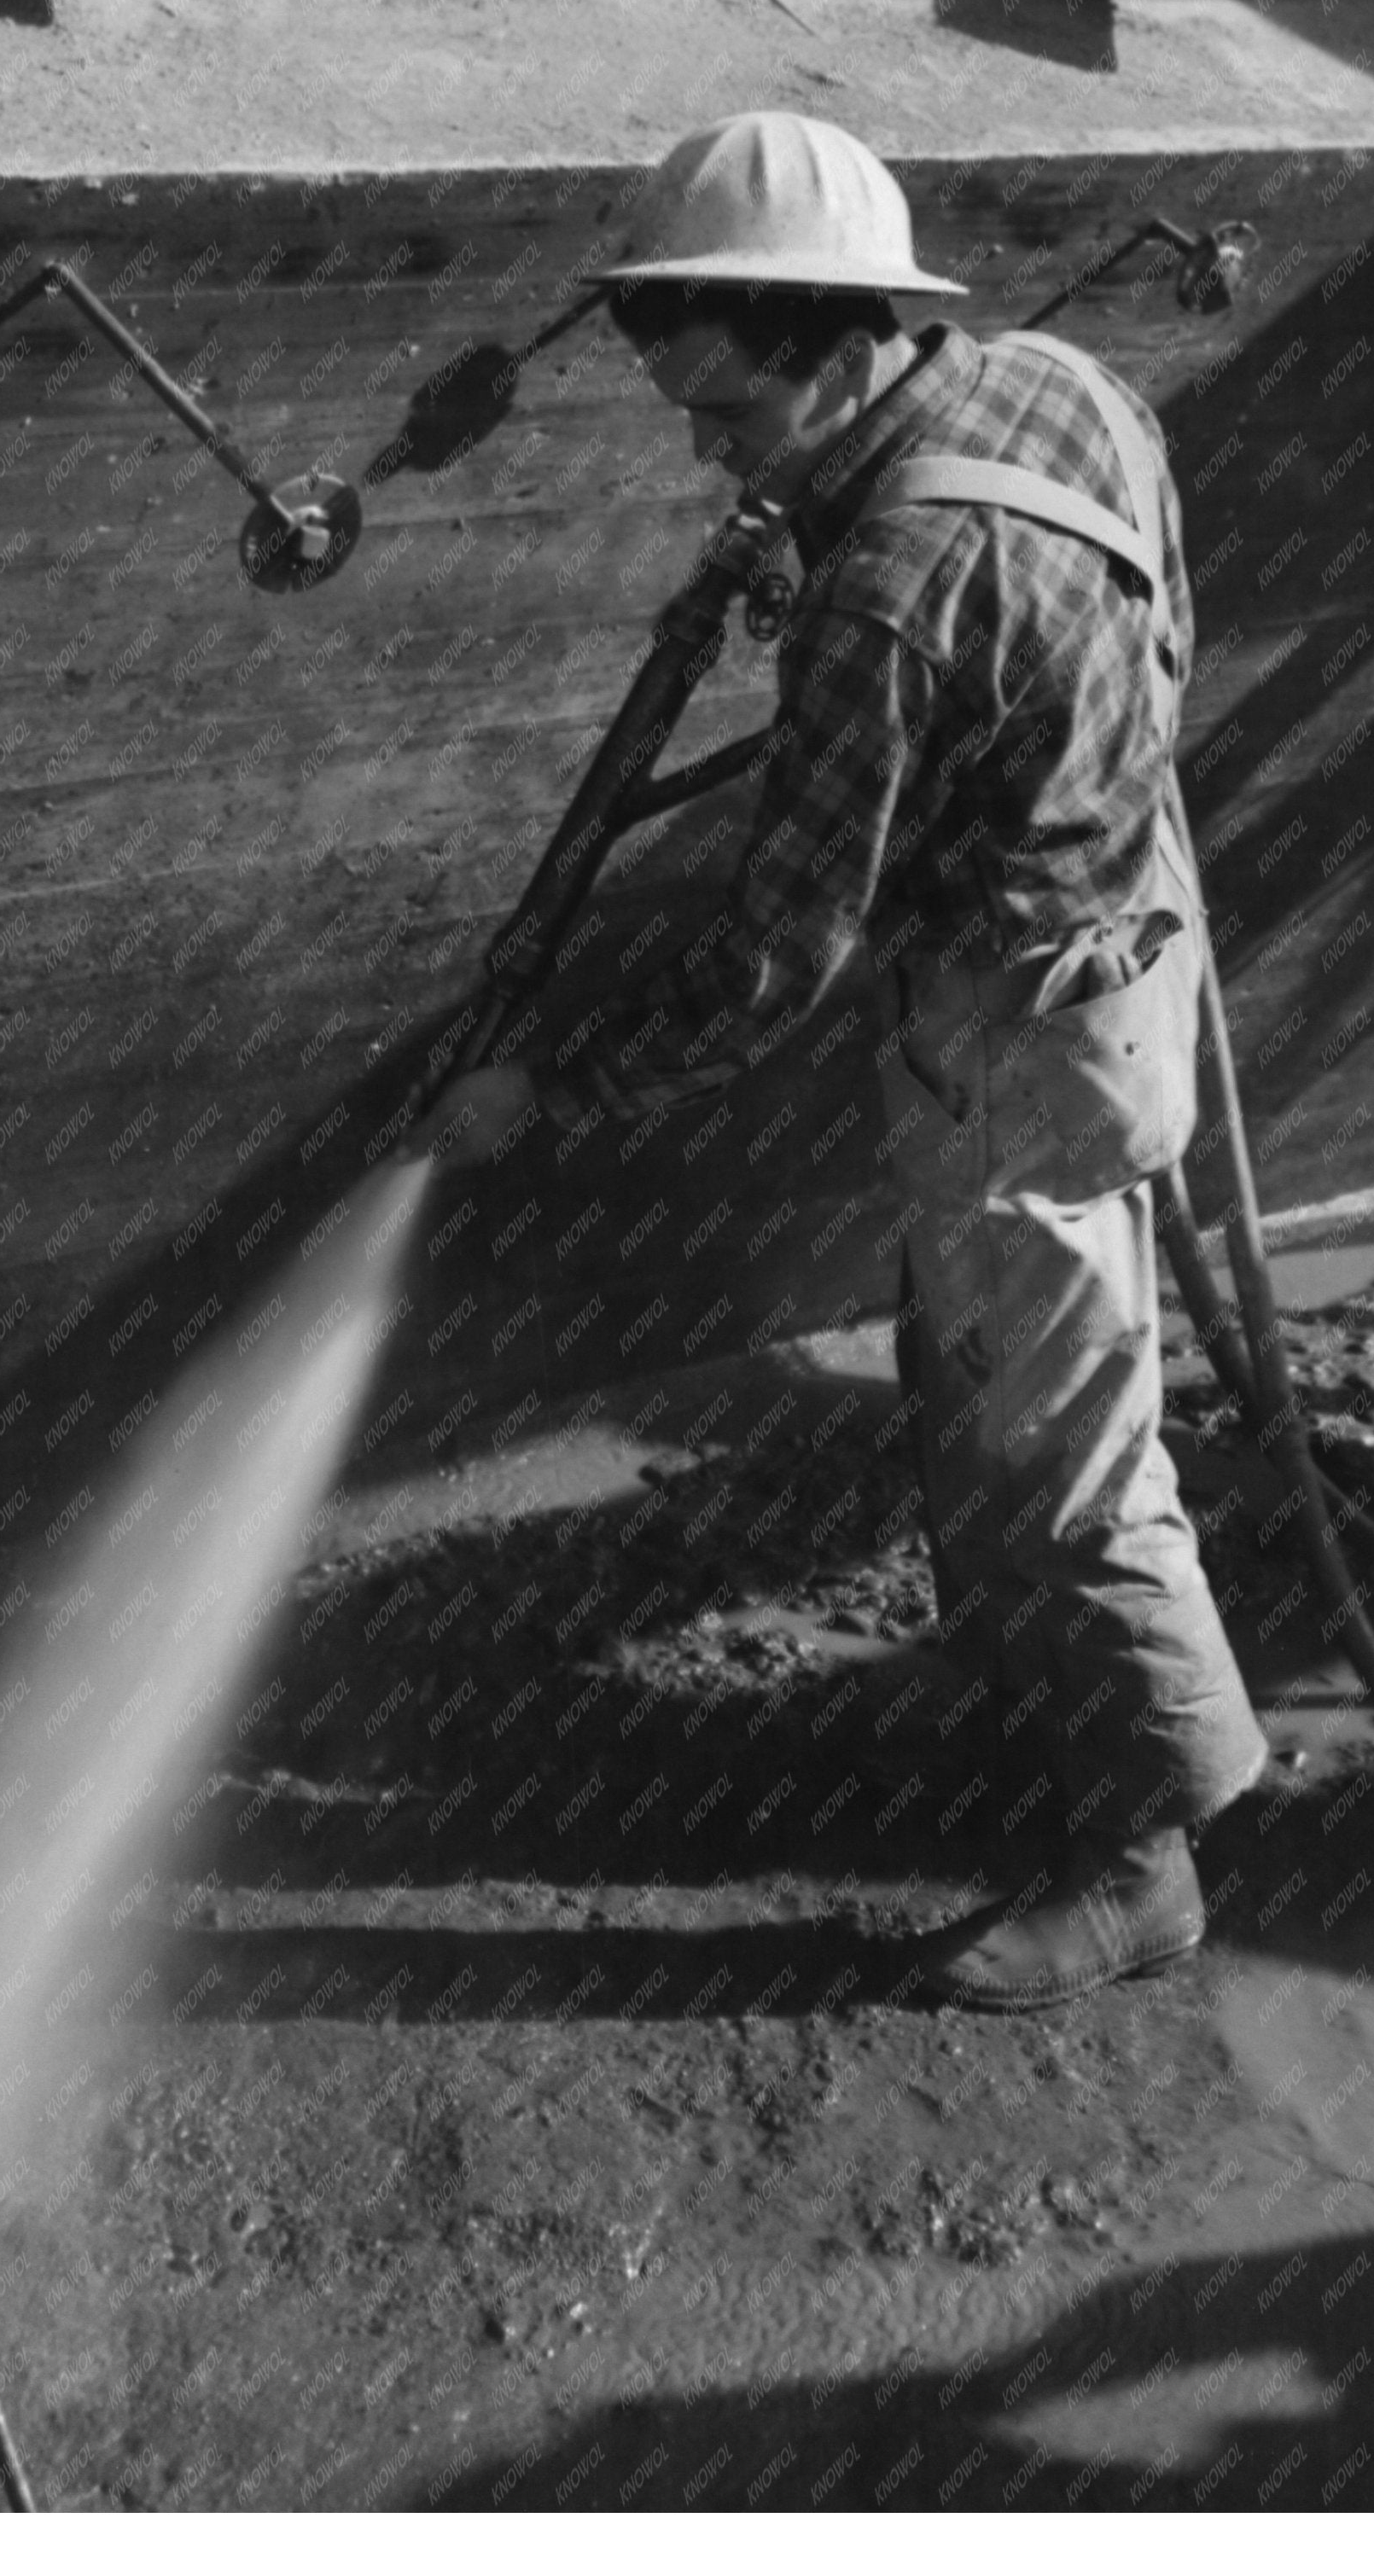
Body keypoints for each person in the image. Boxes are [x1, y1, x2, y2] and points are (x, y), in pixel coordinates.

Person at [408, 113, 1267, 2008]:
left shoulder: (886, 589)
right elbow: (1163, 617)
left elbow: (773, 960)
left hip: (1015, 1042)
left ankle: (1143, 1865)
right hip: (1130, 955)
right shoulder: (1057, 383)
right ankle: (1058, 1746)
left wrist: (541, 1091)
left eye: (727, 420)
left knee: (1061, 1458)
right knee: (1005, 1398)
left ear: (829, 334)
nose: (710, 454)